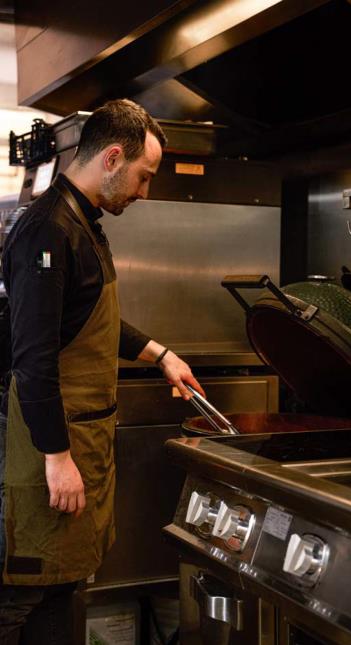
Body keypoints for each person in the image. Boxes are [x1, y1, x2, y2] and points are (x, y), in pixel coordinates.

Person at [0, 99, 205, 644]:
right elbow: (35, 358)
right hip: (49, 449)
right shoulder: (47, 230)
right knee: (19, 594)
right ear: (113, 157)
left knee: (60, 587)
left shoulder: (85, 223)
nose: (144, 191)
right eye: (143, 176)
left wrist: (161, 355)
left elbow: (91, 318)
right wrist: (57, 457)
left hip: (81, 441)